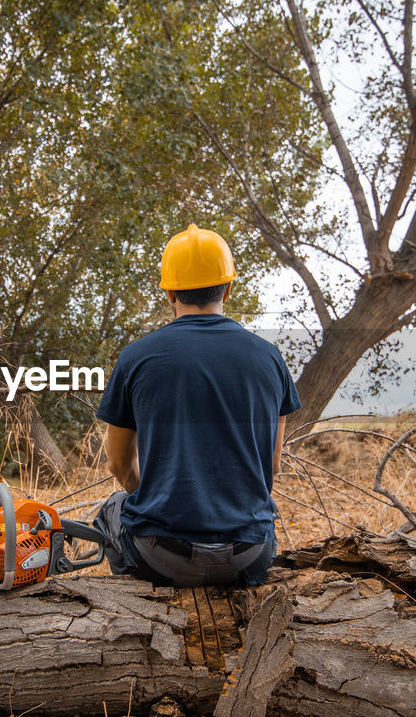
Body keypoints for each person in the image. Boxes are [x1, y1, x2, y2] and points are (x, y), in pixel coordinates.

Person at [92, 223, 301, 587]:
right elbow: (273, 464)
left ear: (170, 292)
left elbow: (118, 464)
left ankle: (138, 599)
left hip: (161, 559)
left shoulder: (136, 358)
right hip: (248, 555)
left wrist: (154, 495)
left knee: (112, 507)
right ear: (229, 287)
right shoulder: (269, 358)